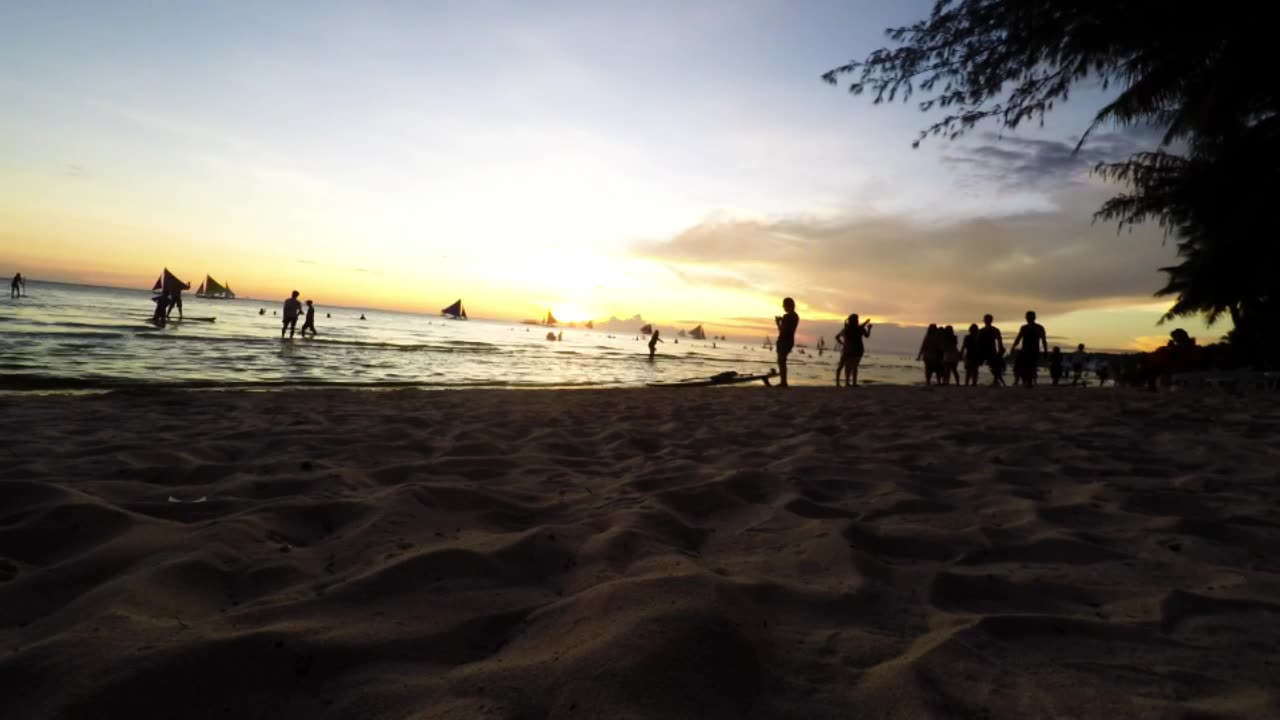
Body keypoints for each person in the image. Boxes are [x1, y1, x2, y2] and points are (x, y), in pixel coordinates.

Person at [1010, 310, 1048, 387]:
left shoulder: (1038, 328)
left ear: (1033, 318)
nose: (1027, 318)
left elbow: (1043, 340)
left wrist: (1045, 350)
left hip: (1032, 351)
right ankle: (1024, 381)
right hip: (1026, 350)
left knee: (1030, 366)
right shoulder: (1025, 327)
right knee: (1023, 366)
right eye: (1027, 317)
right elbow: (1018, 338)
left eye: (1028, 317)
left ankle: (1028, 382)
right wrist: (1013, 347)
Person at [835, 314, 872, 387]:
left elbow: (837, 337)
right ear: (856, 320)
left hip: (847, 350)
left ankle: (839, 383)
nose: (858, 320)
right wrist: (869, 328)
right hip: (857, 350)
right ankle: (852, 383)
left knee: (842, 366)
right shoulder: (859, 328)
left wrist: (842, 343)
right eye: (857, 319)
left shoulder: (846, 329)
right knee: (854, 367)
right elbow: (867, 335)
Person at [775, 297, 799, 387]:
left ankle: (783, 381)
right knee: (783, 360)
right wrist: (782, 320)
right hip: (790, 340)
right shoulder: (796, 316)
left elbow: (782, 330)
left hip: (783, 340)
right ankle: (783, 381)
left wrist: (778, 322)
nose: (783, 307)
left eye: (784, 305)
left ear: (788, 305)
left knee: (781, 361)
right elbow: (790, 327)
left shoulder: (787, 316)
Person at [977, 314, 1005, 386]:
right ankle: (996, 381)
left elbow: (999, 340)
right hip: (984, 350)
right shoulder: (982, 331)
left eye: (987, 319)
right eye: (986, 319)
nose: (986, 320)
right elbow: (977, 342)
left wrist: (1000, 349)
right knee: (994, 367)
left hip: (990, 350)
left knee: (994, 367)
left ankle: (996, 381)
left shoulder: (992, 330)